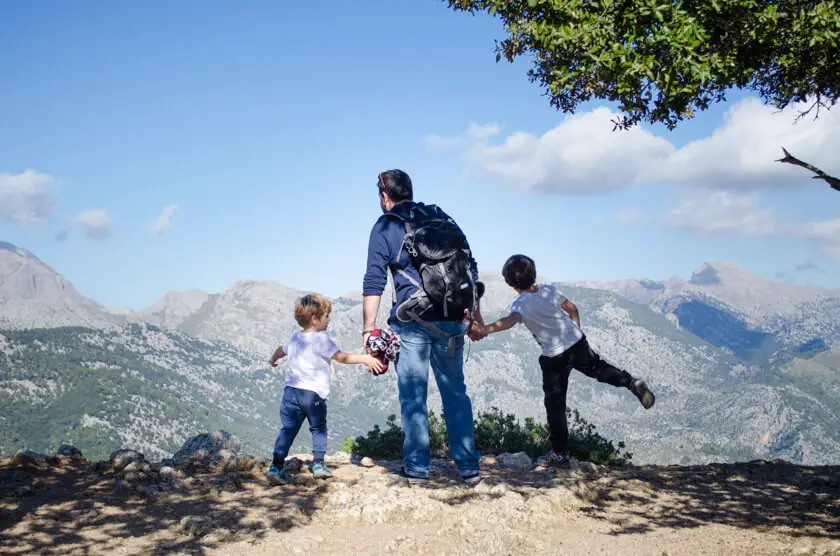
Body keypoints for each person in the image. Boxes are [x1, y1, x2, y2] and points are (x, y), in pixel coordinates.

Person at [361, 169, 484, 485]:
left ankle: (417, 469)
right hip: (454, 319)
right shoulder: (440, 216)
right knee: (456, 392)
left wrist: (368, 329)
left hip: (412, 322)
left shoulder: (386, 225)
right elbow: (470, 266)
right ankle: (469, 468)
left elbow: (374, 280)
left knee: (414, 396)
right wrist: (475, 314)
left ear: (384, 196)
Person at [477, 254, 655, 468]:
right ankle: (631, 382)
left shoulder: (521, 304)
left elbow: (509, 321)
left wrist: (486, 329)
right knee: (599, 369)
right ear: (534, 274)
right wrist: (576, 330)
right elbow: (572, 309)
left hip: (554, 358)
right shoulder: (549, 291)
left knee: (555, 405)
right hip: (577, 343)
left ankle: (559, 453)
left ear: (509, 283)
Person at [267, 292, 383, 483]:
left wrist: (273, 358)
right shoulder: (322, 340)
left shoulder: (295, 337)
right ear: (314, 319)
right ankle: (319, 464)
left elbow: (282, 350)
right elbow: (341, 357)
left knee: (287, 429)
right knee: (318, 428)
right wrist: (365, 358)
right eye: (326, 316)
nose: (329, 320)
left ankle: (276, 466)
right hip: (313, 395)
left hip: (291, 393)